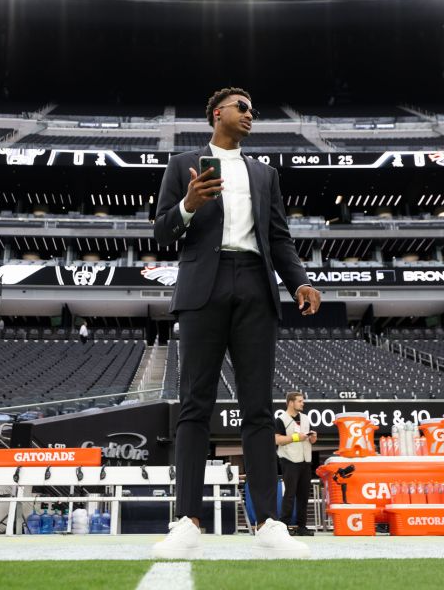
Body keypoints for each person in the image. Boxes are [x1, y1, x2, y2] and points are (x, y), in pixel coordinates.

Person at [151, 87, 322, 559]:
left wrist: (300, 282)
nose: (251, 115)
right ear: (216, 113)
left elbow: (279, 237)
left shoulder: (265, 174)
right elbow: (161, 230)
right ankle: (186, 518)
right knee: (194, 405)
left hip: (254, 284)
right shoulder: (182, 163)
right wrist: (188, 204)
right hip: (202, 284)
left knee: (258, 410)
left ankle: (268, 521)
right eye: (242, 108)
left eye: (254, 110)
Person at [275, 391, 318, 535]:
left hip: (305, 461)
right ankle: (283, 526)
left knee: (304, 495)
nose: (303, 403)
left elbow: (309, 439)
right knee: (290, 494)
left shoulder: (305, 418)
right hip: (289, 460)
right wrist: (295, 437)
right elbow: (278, 440)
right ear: (291, 402)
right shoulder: (281, 419)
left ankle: (302, 526)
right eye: (300, 401)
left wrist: (312, 438)